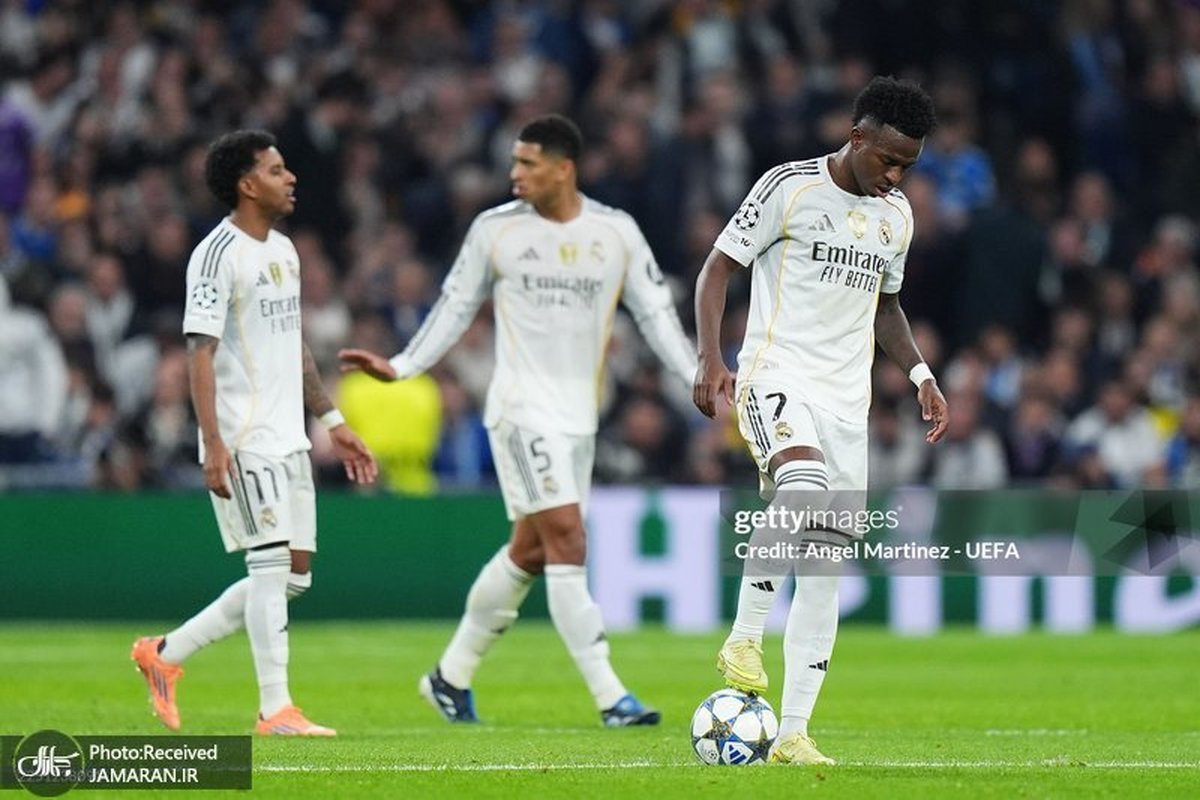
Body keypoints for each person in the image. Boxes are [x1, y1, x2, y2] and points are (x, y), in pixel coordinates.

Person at [339, 114, 696, 726]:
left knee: (529, 551)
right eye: (515, 162)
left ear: (564, 168)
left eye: (528, 163)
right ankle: (611, 697)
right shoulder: (495, 230)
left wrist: (694, 375)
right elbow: (454, 306)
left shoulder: (615, 232)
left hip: (579, 416)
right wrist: (402, 365)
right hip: (521, 410)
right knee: (569, 539)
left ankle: (449, 677)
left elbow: (656, 313)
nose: (515, 173)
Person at [693, 76, 949, 764]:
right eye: (887, 160)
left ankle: (793, 733)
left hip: (845, 404)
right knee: (801, 489)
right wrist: (710, 357)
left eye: (907, 166)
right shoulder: (789, 187)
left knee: (825, 565)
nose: (895, 176)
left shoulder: (896, 217)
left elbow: (886, 307)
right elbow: (717, 269)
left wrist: (921, 375)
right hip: (776, 374)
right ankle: (744, 638)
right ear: (856, 136)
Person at [130, 130, 378, 737]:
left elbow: (293, 343)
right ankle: (275, 710)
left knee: (293, 576)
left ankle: (164, 652)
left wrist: (333, 421)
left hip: (289, 437)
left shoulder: (285, 252)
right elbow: (200, 351)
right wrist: (213, 442)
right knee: (268, 570)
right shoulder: (216, 254)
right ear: (247, 185)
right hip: (242, 437)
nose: (290, 178)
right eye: (276, 170)